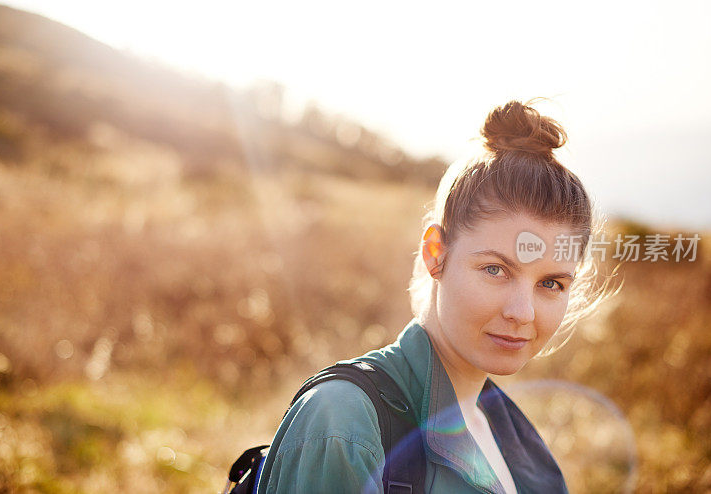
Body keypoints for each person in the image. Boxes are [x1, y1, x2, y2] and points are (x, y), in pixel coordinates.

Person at [256, 100, 616, 493]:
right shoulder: (343, 423)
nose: (522, 312)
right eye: (496, 270)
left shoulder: (511, 438)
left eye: (551, 284)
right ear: (435, 253)